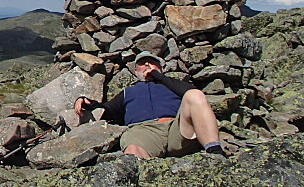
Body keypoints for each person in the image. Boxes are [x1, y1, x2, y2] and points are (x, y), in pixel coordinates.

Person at [74, 51, 226, 158]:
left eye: (153, 62)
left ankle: (215, 152)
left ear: (161, 67)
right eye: (142, 63)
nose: (147, 64)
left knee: (195, 95)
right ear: (135, 70)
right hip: (145, 132)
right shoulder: (129, 91)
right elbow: (107, 110)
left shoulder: (172, 84)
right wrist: (86, 102)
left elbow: (194, 96)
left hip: (177, 129)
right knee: (133, 150)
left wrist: (158, 77)